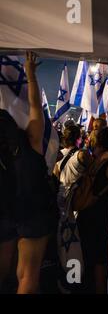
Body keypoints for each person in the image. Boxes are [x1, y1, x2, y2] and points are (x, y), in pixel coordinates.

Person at [0, 52, 54, 293]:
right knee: (27, 275)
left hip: (4, 210)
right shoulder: (31, 140)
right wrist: (30, 73)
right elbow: (35, 106)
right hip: (33, 211)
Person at [75, 127, 108, 293]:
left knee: (86, 256)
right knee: (100, 260)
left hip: (87, 214)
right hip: (101, 215)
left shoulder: (93, 160)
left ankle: (80, 286)